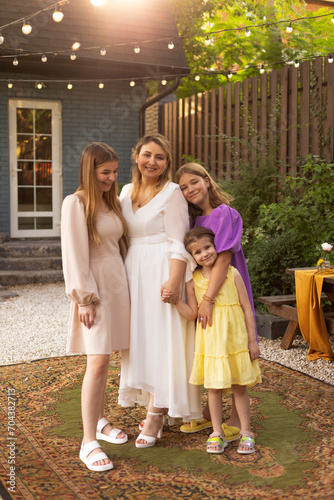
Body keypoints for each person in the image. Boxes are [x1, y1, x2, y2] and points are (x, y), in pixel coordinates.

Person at [118, 133, 202, 448]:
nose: (152, 162)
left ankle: (156, 413)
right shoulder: (125, 192)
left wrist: (173, 283)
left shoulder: (171, 193)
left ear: (166, 163)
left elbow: (179, 242)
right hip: (132, 271)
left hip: (162, 271)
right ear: (136, 156)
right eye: (147, 155)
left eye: (160, 157)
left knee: (161, 340)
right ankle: (153, 403)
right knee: (140, 341)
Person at [175, 163, 259, 437]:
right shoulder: (194, 221)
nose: (190, 190)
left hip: (226, 288)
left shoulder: (226, 214)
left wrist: (208, 298)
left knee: (233, 348)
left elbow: (223, 257)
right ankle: (206, 413)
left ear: (207, 181)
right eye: (184, 188)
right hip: (204, 291)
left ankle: (236, 419)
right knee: (214, 348)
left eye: (193, 182)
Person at [61, 142, 130, 472]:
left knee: (111, 358)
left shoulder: (111, 202)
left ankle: (100, 419)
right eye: (106, 172)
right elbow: (75, 253)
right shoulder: (76, 203)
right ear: (91, 170)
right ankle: (88, 441)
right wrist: (84, 298)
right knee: (98, 362)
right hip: (96, 292)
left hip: (119, 287)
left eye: (115, 172)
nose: (111, 178)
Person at [166, 227, 261, 454]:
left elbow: (247, 309)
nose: (204, 254)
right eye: (198, 252)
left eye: (207, 247)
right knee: (214, 389)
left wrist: (252, 341)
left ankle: (246, 431)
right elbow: (192, 314)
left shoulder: (232, 274)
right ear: (193, 258)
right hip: (211, 344)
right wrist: (175, 301)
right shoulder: (194, 281)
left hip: (235, 342)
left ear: (216, 246)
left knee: (239, 386)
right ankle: (217, 432)